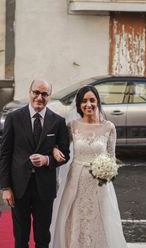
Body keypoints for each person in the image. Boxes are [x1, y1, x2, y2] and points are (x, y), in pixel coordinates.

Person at [49, 85, 127, 247]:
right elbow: (60, 146)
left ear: (98, 102)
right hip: (75, 180)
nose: (88, 104)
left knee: (99, 217)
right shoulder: (72, 126)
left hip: (99, 182)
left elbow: (111, 157)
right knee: (76, 215)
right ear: (79, 104)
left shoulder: (109, 127)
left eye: (92, 100)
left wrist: (108, 170)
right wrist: (55, 149)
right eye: (84, 101)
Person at [0, 79, 71, 248]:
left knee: (43, 237)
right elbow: (5, 155)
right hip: (19, 188)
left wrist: (47, 160)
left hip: (44, 188)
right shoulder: (13, 118)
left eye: (44, 94)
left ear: (49, 97)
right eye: (36, 92)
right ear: (29, 92)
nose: (40, 97)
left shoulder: (58, 122)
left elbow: (65, 155)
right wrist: (5, 187)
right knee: (21, 238)